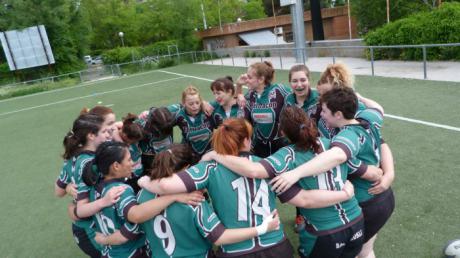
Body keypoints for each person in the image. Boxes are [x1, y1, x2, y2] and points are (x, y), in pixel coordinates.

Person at [139, 118, 357, 257]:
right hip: (276, 246)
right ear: (246, 141)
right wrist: (345, 193)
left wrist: (143, 181)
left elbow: (166, 185)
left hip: (236, 250)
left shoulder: (208, 168)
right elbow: (304, 199)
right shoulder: (269, 164)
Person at [201, 107, 385, 258]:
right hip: (356, 220)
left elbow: (255, 170)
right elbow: (369, 172)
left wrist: (216, 154)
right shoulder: (334, 144)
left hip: (325, 231)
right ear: (310, 123)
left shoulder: (287, 155)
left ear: (283, 132)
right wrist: (378, 176)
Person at [271, 88, 395, 258]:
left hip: (367, 201)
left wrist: (296, 173)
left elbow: (337, 155)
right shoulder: (368, 118)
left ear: (338, 114)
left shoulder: (347, 135)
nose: (321, 114)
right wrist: (361, 97)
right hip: (385, 197)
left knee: (361, 253)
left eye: (324, 111)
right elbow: (378, 108)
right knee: (365, 251)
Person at [137, 143, 282, 258]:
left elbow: (133, 225)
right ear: (187, 168)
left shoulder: (141, 195)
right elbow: (219, 237)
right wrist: (262, 228)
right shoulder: (193, 200)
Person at [82, 141, 206, 258]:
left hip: (109, 253)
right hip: (131, 253)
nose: (133, 163)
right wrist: (173, 196)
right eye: (129, 159)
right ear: (116, 166)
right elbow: (134, 219)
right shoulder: (121, 190)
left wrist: (104, 240)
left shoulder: (94, 188)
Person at [60, 114, 116, 257]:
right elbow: (81, 209)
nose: (108, 134)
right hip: (90, 230)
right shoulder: (90, 163)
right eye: (104, 132)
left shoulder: (73, 156)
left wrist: (67, 188)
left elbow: (58, 190)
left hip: (85, 225)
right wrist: (104, 201)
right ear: (91, 135)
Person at [235, 61, 291, 157]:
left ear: (261, 79)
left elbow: (298, 98)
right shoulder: (250, 95)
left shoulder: (279, 90)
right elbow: (240, 117)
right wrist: (239, 87)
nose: (246, 80)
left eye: (249, 77)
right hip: (259, 146)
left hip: (281, 145)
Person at [174, 85, 215, 159]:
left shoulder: (208, 110)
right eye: (191, 104)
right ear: (183, 103)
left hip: (210, 152)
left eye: (197, 102)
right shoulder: (179, 115)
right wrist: (149, 112)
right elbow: (163, 113)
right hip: (189, 153)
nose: (195, 106)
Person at [112, 113, 145, 192]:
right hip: (128, 178)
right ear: (124, 135)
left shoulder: (130, 129)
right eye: (132, 141)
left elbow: (116, 125)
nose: (133, 143)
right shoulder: (113, 143)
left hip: (138, 174)